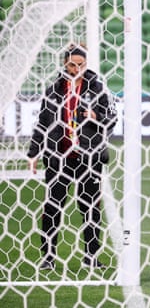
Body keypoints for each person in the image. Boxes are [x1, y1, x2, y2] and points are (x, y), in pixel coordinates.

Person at [27, 43, 117, 270]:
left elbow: (112, 119)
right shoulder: (54, 90)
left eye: (81, 64)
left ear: (86, 64)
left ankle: (91, 256)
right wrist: (33, 153)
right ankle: (48, 257)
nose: (76, 69)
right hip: (58, 156)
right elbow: (42, 123)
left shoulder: (98, 88)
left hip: (89, 156)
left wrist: (95, 115)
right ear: (64, 64)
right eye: (72, 64)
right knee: (53, 206)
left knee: (89, 207)